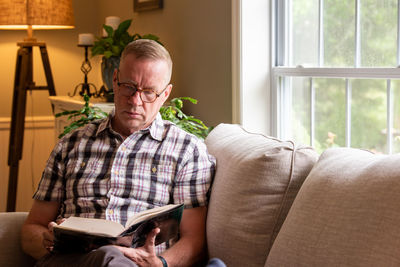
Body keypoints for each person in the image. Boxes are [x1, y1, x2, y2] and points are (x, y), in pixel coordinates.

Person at [21, 39, 218, 267]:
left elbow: (194, 240)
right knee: (109, 256)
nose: (135, 101)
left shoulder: (187, 151)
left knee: (113, 259)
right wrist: (45, 239)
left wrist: (161, 264)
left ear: (165, 94)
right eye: (129, 87)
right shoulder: (71, 145)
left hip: (136, 263)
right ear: (115, 80)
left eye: (149, 92)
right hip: (68, 261)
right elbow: (30, 229)